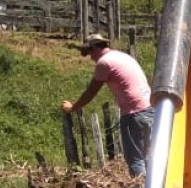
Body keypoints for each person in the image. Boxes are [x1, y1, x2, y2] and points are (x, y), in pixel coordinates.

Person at [62, 34, 153, 178]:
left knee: (135, 159)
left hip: (133, 113)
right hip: (149, 108)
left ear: (95, 47)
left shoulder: (104, 63)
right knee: (149, 156)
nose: (91, 57)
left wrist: (73, 108)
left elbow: (91, 91)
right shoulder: (122, 56)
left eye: (90, 52)